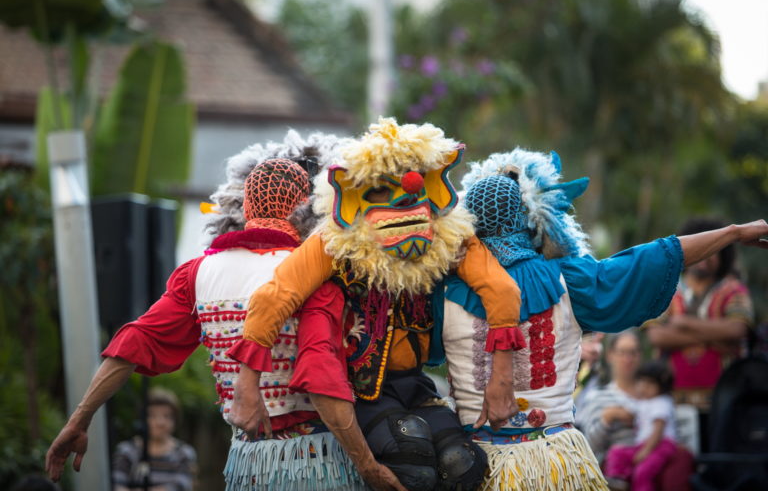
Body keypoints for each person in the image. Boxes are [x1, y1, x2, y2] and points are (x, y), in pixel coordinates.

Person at [46, 133, 402, 491]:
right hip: (316, 465)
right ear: (307, 206)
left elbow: (133, 343)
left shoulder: (197, 273)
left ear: (245, 206)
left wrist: (78, 420)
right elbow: (320, 378)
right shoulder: (313, 277)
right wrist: (368, 467)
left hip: (245, 467)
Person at [435, 148, 768, 490]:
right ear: (530, 215)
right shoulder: (572, 280)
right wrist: (732, 233)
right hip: (558, 468)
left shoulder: (441, 293)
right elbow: (658, 257)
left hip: (470, 468)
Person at [228, 118, 526, 491]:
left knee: (462, 466)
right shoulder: (334, 242)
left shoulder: (448, 235)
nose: (404, 197)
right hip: (363, 388)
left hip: (415, 384)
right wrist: (246, 386)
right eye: (384, 189)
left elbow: (502, 291)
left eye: (412, 183)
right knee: (409, 460)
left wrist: (501, 383)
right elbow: (276, 295)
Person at [646, 218, 754, 414]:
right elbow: (657, 336)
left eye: (713, 250)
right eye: (700, 249)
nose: (706, 257)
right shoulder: (664, 286)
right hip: (670, 400)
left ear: (724, 255)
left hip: (725, 400)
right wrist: (719, 339)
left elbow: (738, 329)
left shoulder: (734, 289)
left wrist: (683, 323)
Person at [603, 362, 677, 491]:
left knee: (643, 472)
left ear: (662, 386)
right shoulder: (643, 401)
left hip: (661, 445)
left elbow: (658, 430)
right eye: (642, 382)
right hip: (643, 444)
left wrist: (646, 452)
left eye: (650, 383)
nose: (644, 387)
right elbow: (633, 416)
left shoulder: (662, 402)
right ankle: (617, 479)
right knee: (616, 451)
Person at [576, 331, 642, 464]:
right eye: (622, 352)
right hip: (614, 472)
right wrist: (607, 418)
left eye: (633, 352)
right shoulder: (597, 396)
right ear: (610, 355)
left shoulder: (652, 396)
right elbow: (589, 448)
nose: (628, 359)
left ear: (640, 355)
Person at [112, 389, 196, 491]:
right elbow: (116, 484)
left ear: (175, 420)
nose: (160, 422)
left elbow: (181, 486)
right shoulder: (127, 450)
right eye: (152, 416)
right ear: (142, 419)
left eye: (167, 416)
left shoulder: (184, 453)